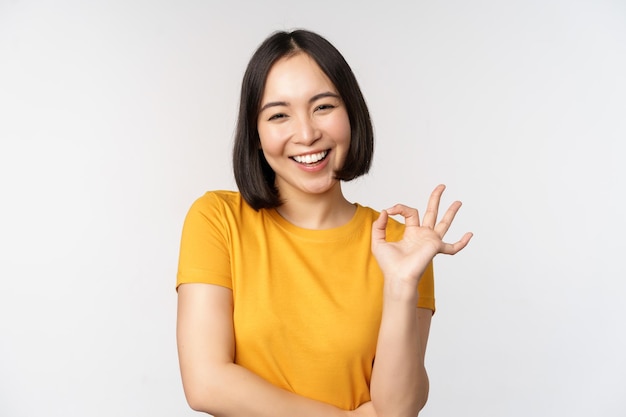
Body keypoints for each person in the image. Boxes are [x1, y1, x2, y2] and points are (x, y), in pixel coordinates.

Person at [176, 29, 472, 417]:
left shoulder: (402, 246)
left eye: (324, 107)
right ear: (256, 132)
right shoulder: (218, 219)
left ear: (351, 113)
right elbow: (206, 384)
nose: (307, 133)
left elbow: (397, 410)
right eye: (279, 114)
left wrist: (401, 286)